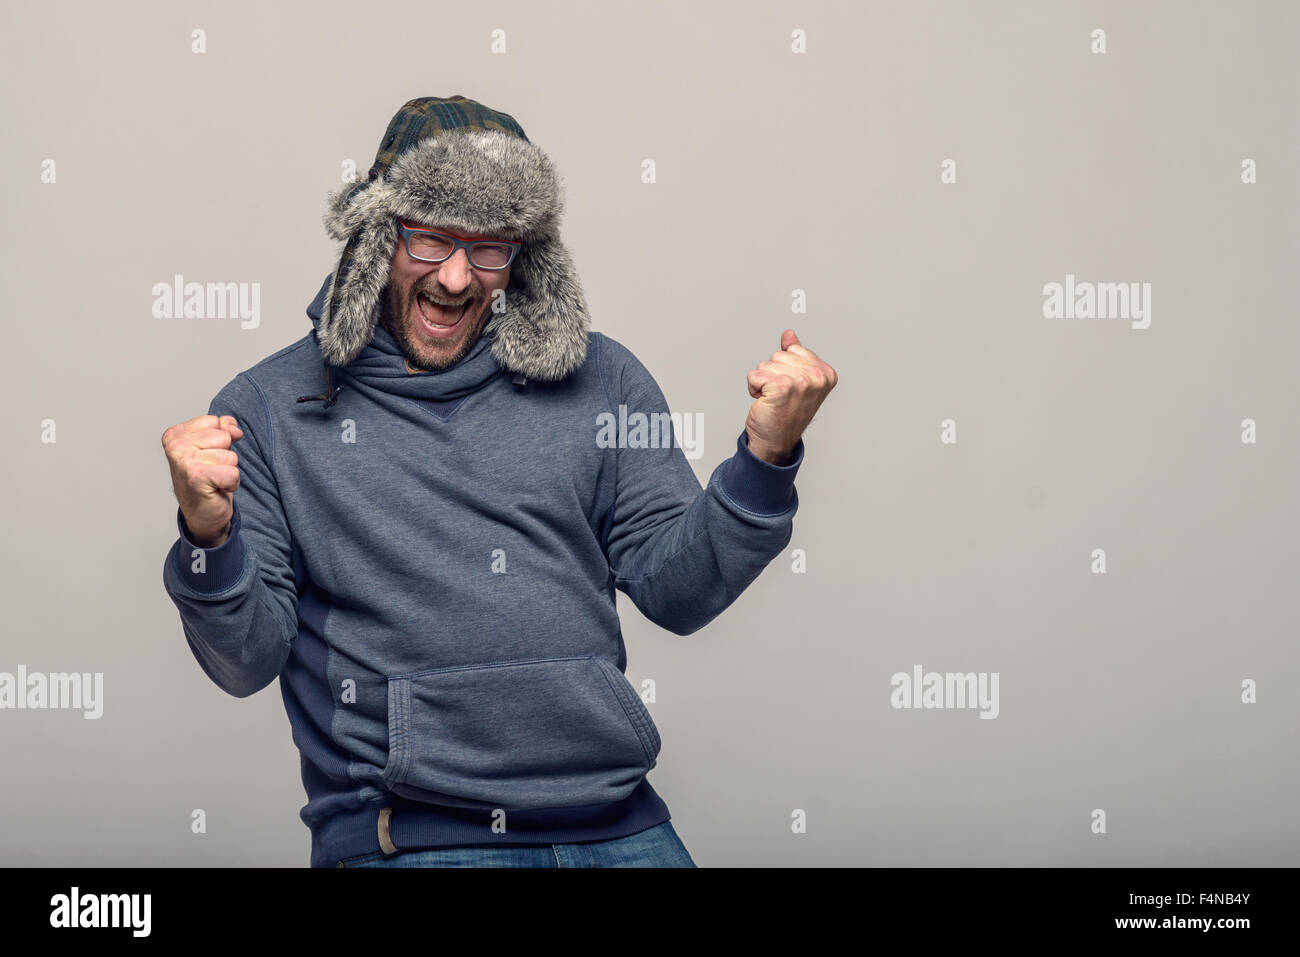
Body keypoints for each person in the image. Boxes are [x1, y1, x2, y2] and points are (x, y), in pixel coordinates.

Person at [160, 95, 837, 868]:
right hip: (415, 838)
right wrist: (206, 536)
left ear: (526, 254)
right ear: (378, 236)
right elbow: (246, 658)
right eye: (431, 238)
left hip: (622, 828)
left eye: (489, 249)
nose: (456, 277)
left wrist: (766, 456)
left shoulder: (602, 380)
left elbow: (678, 591)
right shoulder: (270, 409)